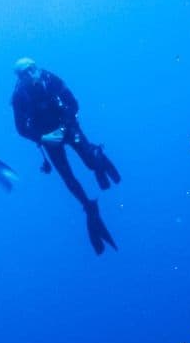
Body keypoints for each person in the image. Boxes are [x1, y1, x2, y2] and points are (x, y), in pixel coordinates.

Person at [10, 58, 121, 254]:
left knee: (89, 162)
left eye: (31, 69)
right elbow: (20, 129)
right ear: (19, 78)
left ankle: (98, 156)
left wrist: (63, 127)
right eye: (23, 74)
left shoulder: (51, 79)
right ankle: (88, 207)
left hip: (67, 127)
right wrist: (43, 137)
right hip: (48, 138)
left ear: (36, 67)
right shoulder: (19, 96)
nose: (29, 75)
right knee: (67, 177)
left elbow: (73, 104)